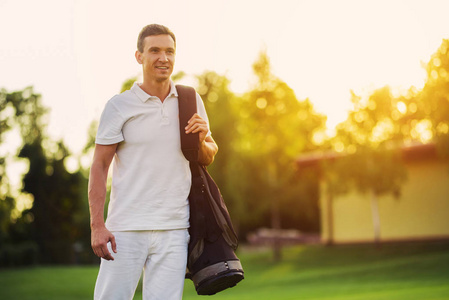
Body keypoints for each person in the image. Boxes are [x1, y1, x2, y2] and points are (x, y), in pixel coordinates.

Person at [88, 24, 218, 300]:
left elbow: (208, 155)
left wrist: (204, 137)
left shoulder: (190, 99)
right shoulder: (119, 106)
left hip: (174, 228)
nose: (164, 58)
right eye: (155, 50)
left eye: (170, 51)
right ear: (139, 56)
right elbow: (99, 166)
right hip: (124, 229)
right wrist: (97, 225)